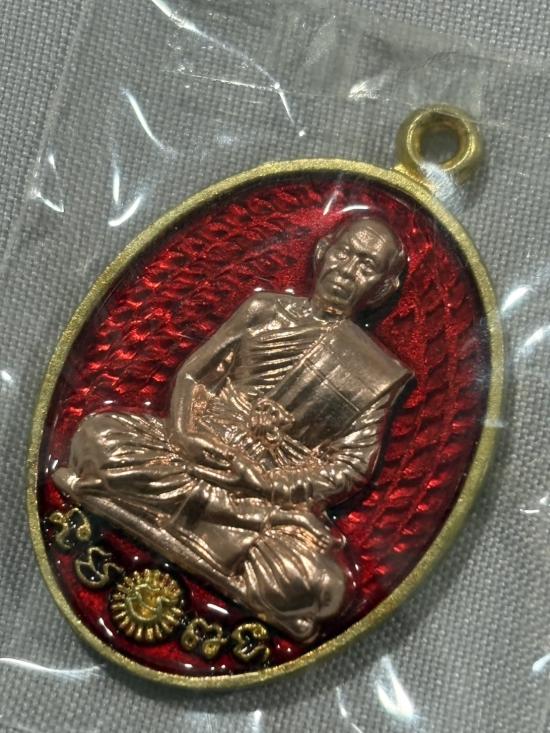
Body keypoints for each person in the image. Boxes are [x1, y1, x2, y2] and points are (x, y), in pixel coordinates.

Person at [54, 216, 413, 642]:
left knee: (323, 588)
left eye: (366, 266)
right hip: (192, 456)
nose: (347, 271)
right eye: (345, 253)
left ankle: (185, 515)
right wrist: (186, 435)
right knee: (97, 438)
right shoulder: (263, 310)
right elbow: (195, 377)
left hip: (265, 500)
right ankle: (213, 529)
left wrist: (267, 483)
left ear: (383, 289)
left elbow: (351, 466)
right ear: (323, 250)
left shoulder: (377, 373)